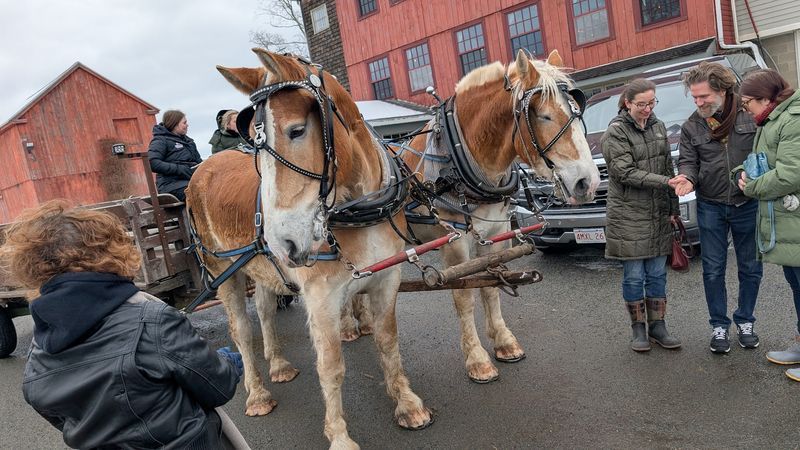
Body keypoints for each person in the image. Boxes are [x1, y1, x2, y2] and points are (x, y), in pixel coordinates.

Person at [0, 201, 244, 449]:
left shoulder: (37, 358)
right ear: (111, 251)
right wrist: (228, 363)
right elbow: (219, 387)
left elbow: (57, 415)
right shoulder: (154, 321)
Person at [670, 61, 763, 354]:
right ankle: (719, 326)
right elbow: (688, 161)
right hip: (710, 205)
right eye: (695, 97)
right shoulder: (692, 126)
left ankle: (745, 321)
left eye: (704, 96)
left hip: (747, 203)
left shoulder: (749, 116)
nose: (699, 103)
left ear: (723, 91)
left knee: (750, 267)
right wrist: (686, 177)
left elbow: (765, 152)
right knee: (712, 269)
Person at [601, 78, 682, 352]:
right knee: (634, 276)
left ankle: (658, 326)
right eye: (642, 104)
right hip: (628, 215)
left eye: (651, 103)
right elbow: (623, 173)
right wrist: (664, 183)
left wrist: (673, 209)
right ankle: (638, 329)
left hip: (658, 212)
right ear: (628, 103)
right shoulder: (616, 132)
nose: (647, 109)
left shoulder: (659, 127)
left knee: (657, 275)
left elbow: (668, 169)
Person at [736, 69, 800, 381]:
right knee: (797, 285)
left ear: (767, 98)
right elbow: (767, 161)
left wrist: (752, 186)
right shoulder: (773, 118)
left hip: (795, 217)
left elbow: (791, 173)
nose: (745, 108)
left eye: (748, 102)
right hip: (790, 222)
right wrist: (744, 171)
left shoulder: (792, 120)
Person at [148, 109, 203, 202]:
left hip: (191, 180)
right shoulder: (160, 140)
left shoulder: (189, 142)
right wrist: (180, 169)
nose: (187, 125)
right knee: (200, 191)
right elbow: (153, 163)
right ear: (174, 124)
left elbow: (199, 161)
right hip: (170, 185)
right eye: (184, 123)